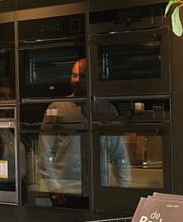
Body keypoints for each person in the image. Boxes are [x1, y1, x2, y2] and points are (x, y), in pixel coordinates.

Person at [36, 58, 130, 207]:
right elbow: (44, 152)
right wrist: (52, 185)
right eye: (74, 75)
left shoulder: (107, 110)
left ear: (95, 80)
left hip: (99, 190)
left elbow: (119, 154)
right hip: (65, 191)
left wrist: (123, 188)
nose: (77, 80)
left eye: (83, 77)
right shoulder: (57, 108)